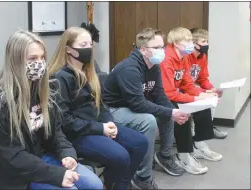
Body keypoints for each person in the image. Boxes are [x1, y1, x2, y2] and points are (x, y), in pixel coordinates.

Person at [0, 30, 103, 190]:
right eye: (32, 58)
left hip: (42, 158)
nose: (39, 63)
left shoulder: (44, 90)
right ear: (16, 62)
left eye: (42, 57)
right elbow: (13, 157)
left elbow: (56, 131)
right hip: (16, 173)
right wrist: (56, 175)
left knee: (95, 185)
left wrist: (66, 152)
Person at [48, 27, 148, 190]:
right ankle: (113, 183)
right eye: (83, 44)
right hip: (78, 133)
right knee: (120, 156)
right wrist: (100, 128)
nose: (88, 48)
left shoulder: (88, 70)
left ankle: (118, 184)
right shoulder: (60, 78)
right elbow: (65, 121)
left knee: (140, 143)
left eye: (90, 44)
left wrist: (109, 122)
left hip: (97, 125)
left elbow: (100, 103)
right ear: (69, 50)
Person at [102, 27, 189, 189]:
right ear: (143, 50)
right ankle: (143, 176)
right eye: (156, 48)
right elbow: (138, 104)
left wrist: (173, 112)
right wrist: (170, 112)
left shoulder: (153, 66)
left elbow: (159, 94)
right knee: (148, 120)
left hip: (131, 107)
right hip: (112, 111)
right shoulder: (129, 69)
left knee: (168, 112)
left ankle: (165, 156)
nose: (162, 51)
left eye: (162, 47)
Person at [160, 27, 223, 175]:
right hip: (159, 97)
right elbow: (168, 93)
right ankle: (183, 155)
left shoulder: (182, 58)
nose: (191, 43)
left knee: (203, 105)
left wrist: (203, 95)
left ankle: (199, 144)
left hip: (173, 94)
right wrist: (195, 97)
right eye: (187, 41)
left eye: (191, 40)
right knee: (183, 112)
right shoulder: (166, 59)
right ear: (176, 43)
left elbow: (187, 83)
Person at [188, 28, 228, 139]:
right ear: (194, 43)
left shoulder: (202, 57)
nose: (207, 44)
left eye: (207, 41)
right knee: (207, 98)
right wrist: (206, 92)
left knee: (213, 99)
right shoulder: (186, 56)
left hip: (194, 88)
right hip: (185, 89)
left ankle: (207, 128)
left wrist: (212, 89)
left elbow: (203, 79)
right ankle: (194, 132)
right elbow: (184, 84)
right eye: (203, 41)